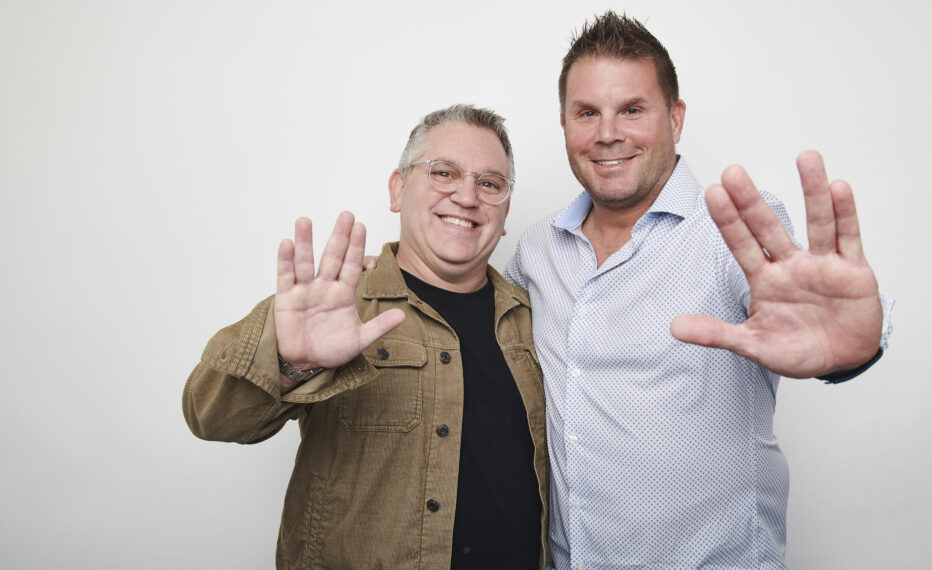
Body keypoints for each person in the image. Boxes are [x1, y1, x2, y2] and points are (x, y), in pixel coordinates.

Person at [504, 12, 894, 569]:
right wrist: (397, 274)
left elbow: (815, 323)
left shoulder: (733, 232)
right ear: (564, 123)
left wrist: (852, 350)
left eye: (633, 110)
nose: (607, 132)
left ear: (676, 117)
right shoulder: (536, 250)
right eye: (587, 112)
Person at [183, 104, 548, 569]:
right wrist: (293, 363)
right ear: (398, 189)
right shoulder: (335, 302)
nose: (466, 196)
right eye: (444, 172)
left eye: (489, 183)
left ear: (505, 207)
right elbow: (210, 416)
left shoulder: (534, 318)